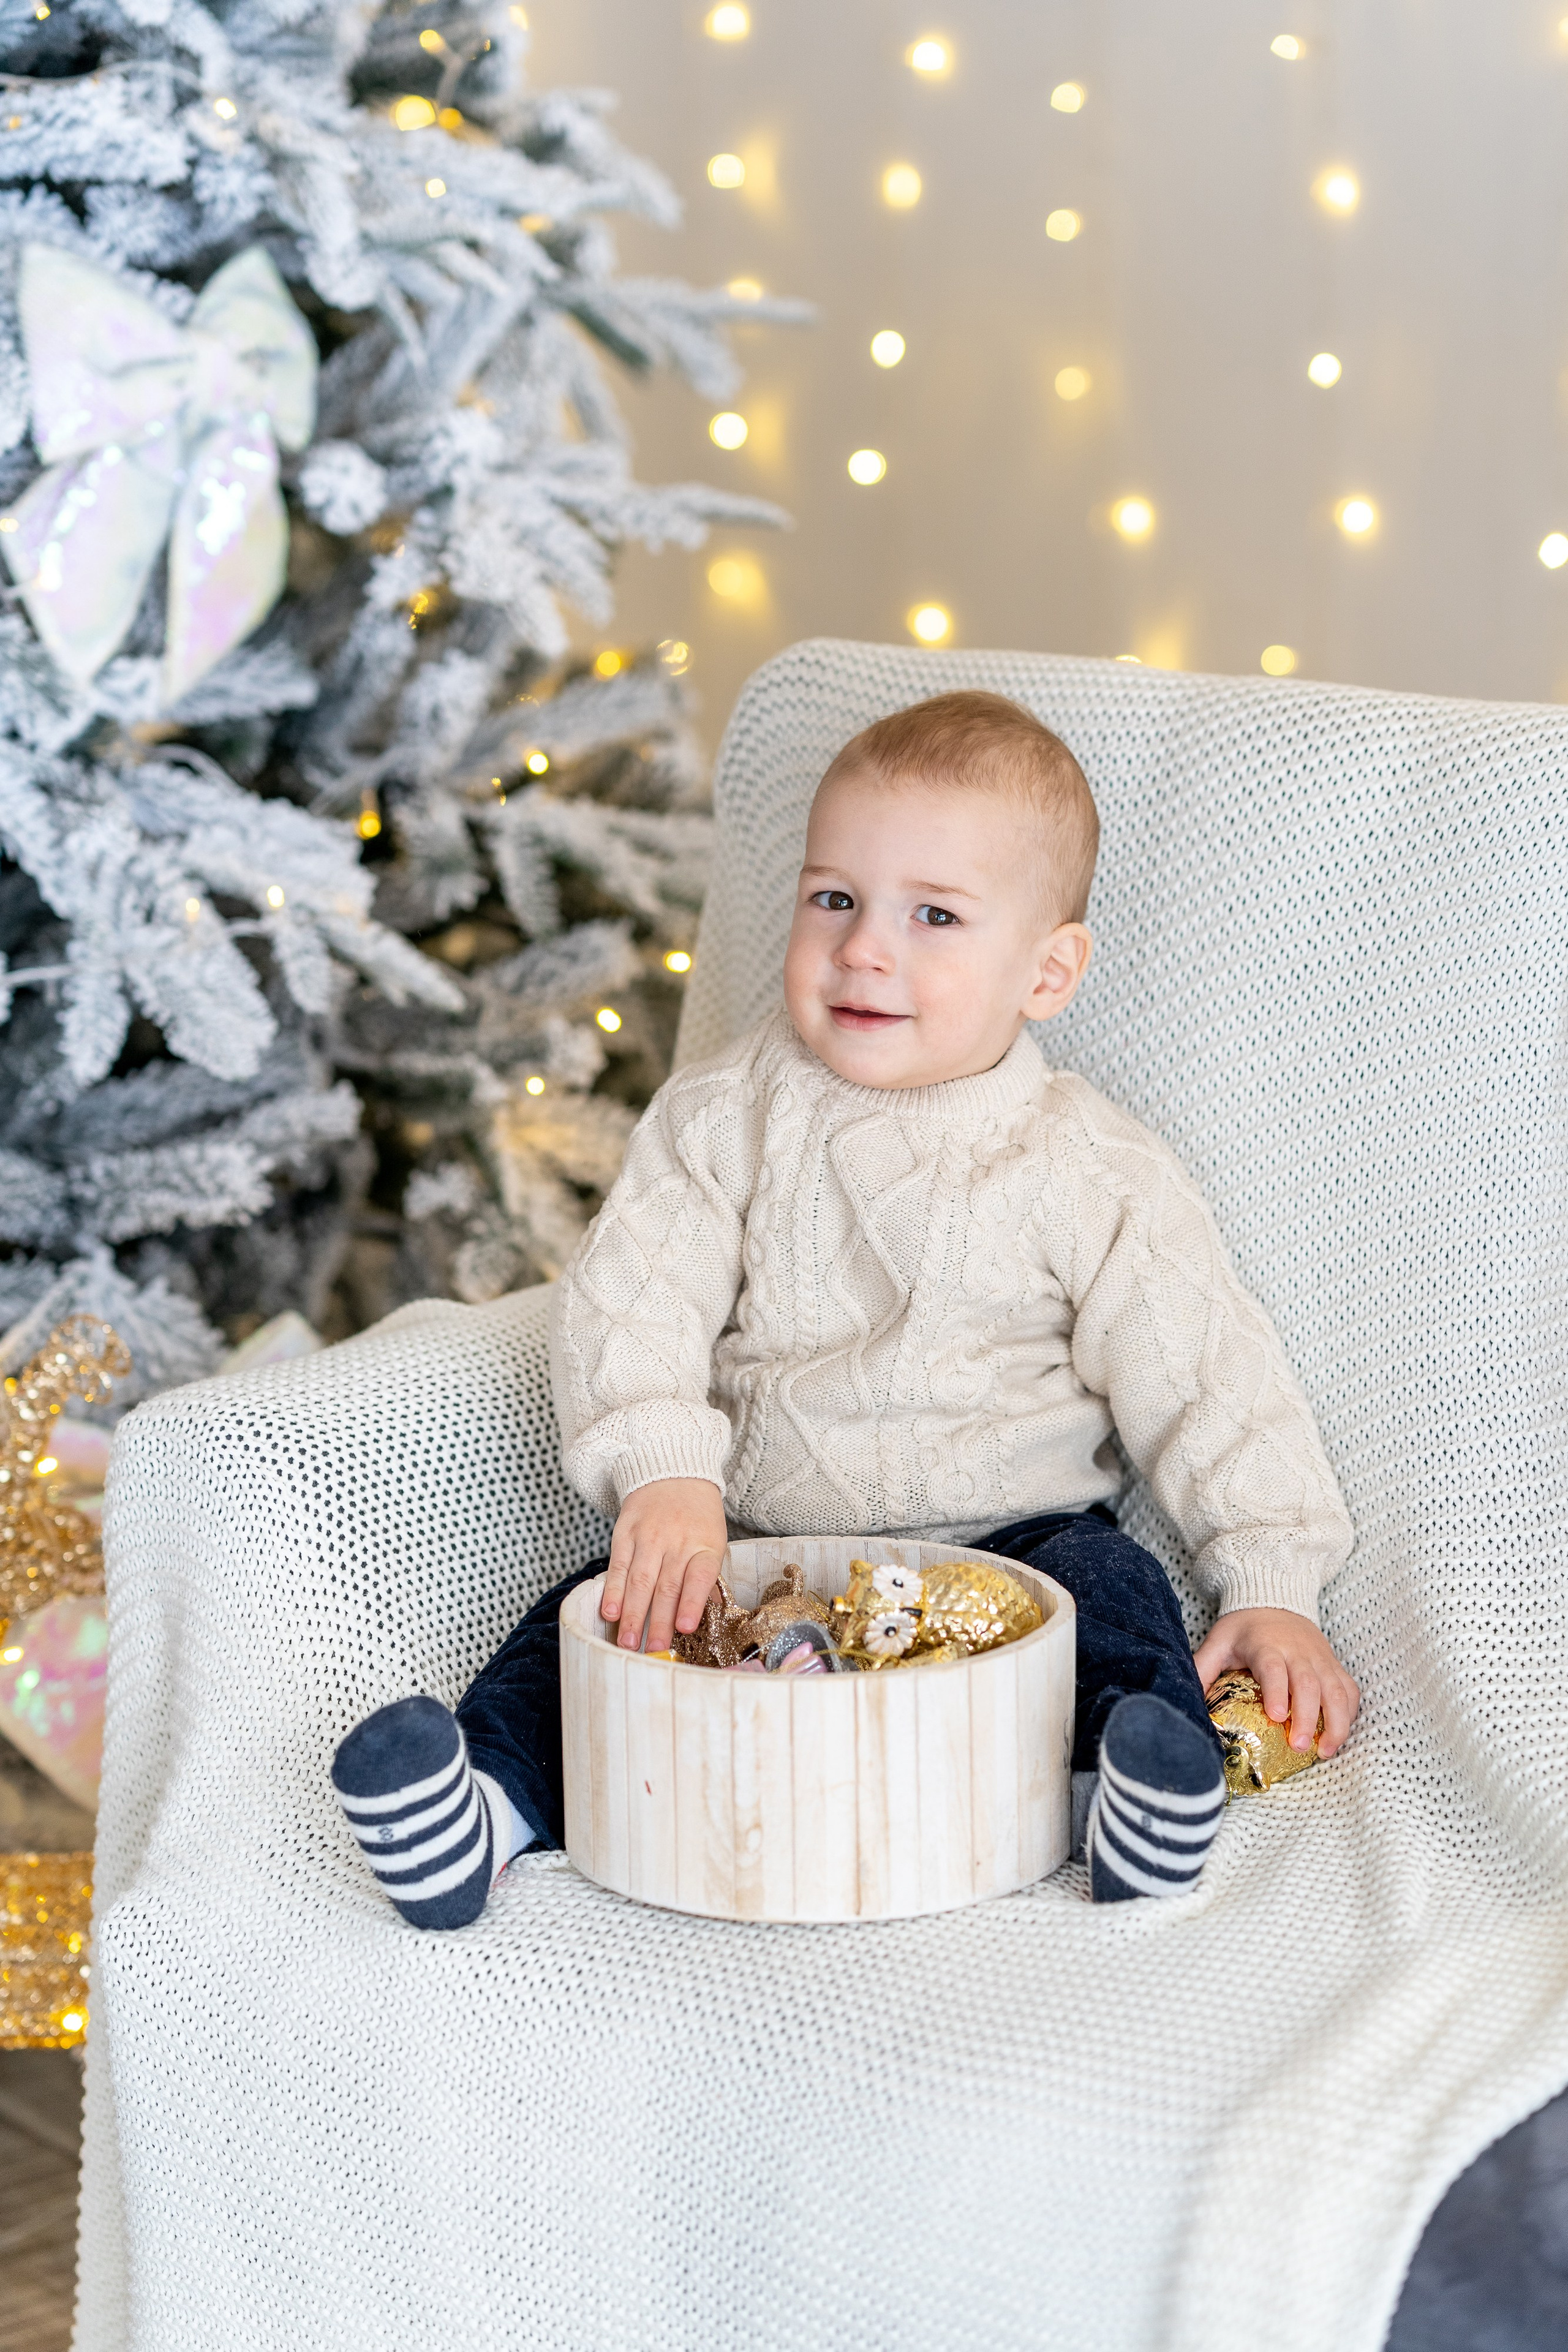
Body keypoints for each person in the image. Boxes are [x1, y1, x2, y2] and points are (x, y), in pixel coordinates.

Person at [331, 690, 1360, 1925]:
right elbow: (632, 1301)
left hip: (1014, 1543)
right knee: (595, 1625)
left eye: (932, 916)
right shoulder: (724, 1118)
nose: (864, 948)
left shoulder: (1086, 1167)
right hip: (758, 1539)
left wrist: (1268, 1583)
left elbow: (1205, 1375)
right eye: (834, 899)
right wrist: (663, 1471)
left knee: (1117, 1606)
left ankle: (1111, 1798)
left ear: (1045, 969)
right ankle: (481, 1810)